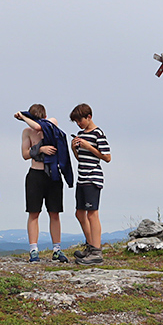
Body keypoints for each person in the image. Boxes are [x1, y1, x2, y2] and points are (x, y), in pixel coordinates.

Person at [15, 104, 73, 263]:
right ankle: (33, 250)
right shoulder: (27, 132)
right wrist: (40, 149)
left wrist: (23, 117)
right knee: (34, 212)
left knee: (54, 213)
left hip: (52, 174)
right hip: (35, 174)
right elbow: (25, 155)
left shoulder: (51, 123)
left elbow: (41, 126)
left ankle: (57, 249)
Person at [69, 103, 111, 264]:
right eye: (76, 122)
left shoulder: (98, 134)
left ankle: (96, 251)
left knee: (92, 213)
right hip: (82, 178)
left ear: (89, 117)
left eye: (80, 120)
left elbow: (107, 157)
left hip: (93, 177)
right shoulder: (80, 134)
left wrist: (88, 146)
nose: (79, 124)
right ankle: (91, 245)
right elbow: (82, 159)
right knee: (79, 213)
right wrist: (75, 149)